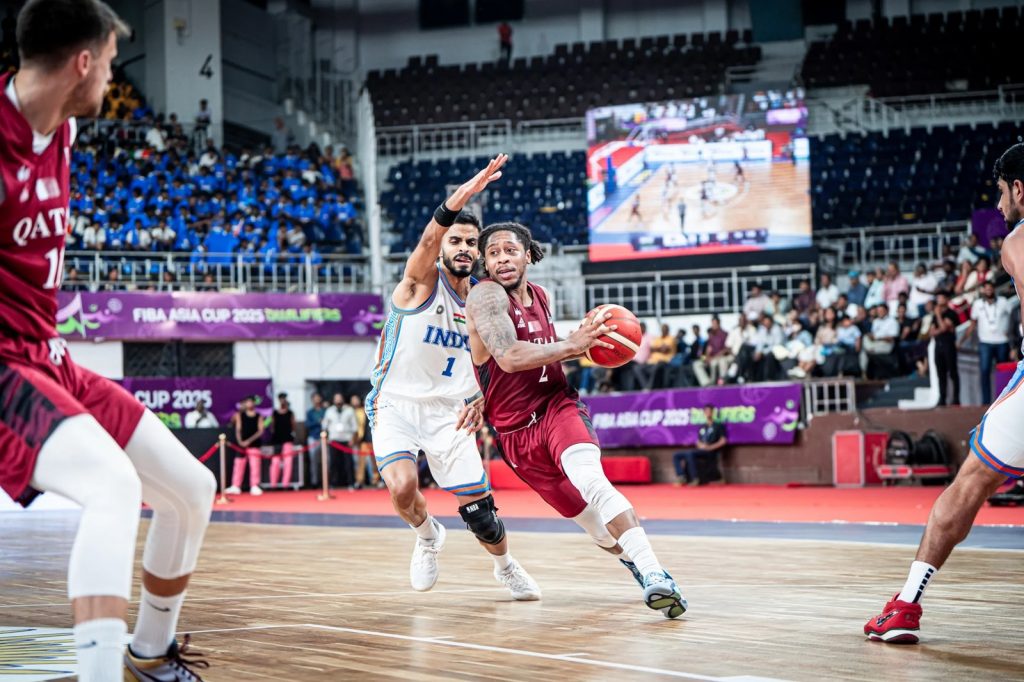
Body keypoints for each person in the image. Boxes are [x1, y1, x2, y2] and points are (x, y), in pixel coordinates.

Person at [0, 3, 216, 679]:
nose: (115, 78)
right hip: (3, 363)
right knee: (113, 486)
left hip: (48, 354)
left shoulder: (62, 129)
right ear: (83, 62)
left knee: (191, 489)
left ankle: (150, 655)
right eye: (113, 63)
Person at [466, 219, 686, 619]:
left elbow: (543, 349)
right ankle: (636, 564)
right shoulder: (485, 296)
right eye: (493, 253)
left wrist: (585, 346)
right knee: (596, 528)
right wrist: (572, 345)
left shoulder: (541, 295)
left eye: (510, 250)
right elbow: (509, 357)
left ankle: (657, 574)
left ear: (528, 254)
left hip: (557, 406)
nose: (502, 259)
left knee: (592, 481)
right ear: (485, 261)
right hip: (515, 434)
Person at [865, 143, 1024, 644]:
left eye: (1001, 192)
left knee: (968, 484)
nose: (999, 204)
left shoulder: (1017, 241)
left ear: (1020, 190)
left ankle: (905, 607)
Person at [365, 155, 540, 599]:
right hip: (396, 403)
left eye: (471, 243)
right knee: (403, 488)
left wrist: (482, 395)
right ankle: (427, 537)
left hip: (452, 410)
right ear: (443, 248)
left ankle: (505, 567)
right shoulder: (419, 284)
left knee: (482, 516)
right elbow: (428, 238)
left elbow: (499, 357)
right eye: (455, 241)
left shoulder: (487, 299)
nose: (463, 248)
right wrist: (464, 194)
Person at [962, 281, 1013, 404]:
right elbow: (973, 324)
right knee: (984, 372)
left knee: (1003, 372)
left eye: (991, 288)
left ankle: (1004, 401)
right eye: (986, 289)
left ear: (994, 289)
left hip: (1002, 341)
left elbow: (1013, 317)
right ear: (983, 290)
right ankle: (986, 402)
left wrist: (1011, 334)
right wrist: (961, 340)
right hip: (985, 342)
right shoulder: (977, 304)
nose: (989, 290)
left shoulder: (1003, 301)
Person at [672, 405, 727, 485]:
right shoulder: (703, 427)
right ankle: (681, 477)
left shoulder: (718, 426)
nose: (708, 413)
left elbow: (723, 441)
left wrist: (710, 447)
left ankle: (695, 478)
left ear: (713, 412)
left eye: (709, 411)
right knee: (677, 455)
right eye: (706, 411)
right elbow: (698, 441)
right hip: (701, 450)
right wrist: (700, 445)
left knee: (690, 453)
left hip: (711, 451)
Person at [226, 395, 265, 495]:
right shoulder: (239, 415)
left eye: (251, 402)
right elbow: (238, 429)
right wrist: (240, 441)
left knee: (255, 465)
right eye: (247, 402)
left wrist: (249, 441)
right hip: (241, 445)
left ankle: (254, 486)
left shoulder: (259, 416)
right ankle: (236, 486)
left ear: (254, 403)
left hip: (254, 444)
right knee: (238, 465)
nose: (249, 404)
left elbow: (260, 431)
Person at [930, 291, 961, 406]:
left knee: (952, 372)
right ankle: (942, 398)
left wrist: (938, 315)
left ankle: (956, 398)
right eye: (938, 298)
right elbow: (932, 332)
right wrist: (939, 328)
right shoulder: (935, 315)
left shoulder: (951, 313)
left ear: (947, 299)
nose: (939, 300)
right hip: (938, 345)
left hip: (949, 344)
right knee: (940, 373)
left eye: (941, 297)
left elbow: (944, 327)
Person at [322, 392, 356, 489]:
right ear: (333, 400)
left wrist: (352, 439)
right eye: (336, 398)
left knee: (349, 463)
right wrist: (326, 438)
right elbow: (324, 426)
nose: (338, 400)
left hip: (346, 439)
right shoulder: (329, 411)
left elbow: (354, 426)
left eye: (340, 398)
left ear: (343, 399)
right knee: (333, 462)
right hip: (334, 440)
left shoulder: (349, 410)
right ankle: (333, 483)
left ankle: (351, 483)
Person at [349, 394, 379, 489]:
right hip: (361, 439)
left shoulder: (373, 410)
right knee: (360, 462)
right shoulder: (354, 411)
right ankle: (359, 481)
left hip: (371, 438)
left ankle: (376, 480)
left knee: (374, 462)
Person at [269, 392, 296, 489]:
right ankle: (273, 484)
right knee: (275, 463)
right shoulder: (274, 413)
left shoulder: (290, 413)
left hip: (287, 440)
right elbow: (271, 426)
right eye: (281, 398)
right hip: (277, 440)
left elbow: (293, 426)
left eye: (284, 398)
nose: (283, 400)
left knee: (288, 463)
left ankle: (285, 484)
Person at [305, 392, 326, 489]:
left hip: (324, 438)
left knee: (326, 461)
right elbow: (307, 425)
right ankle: (314, 482)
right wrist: (318, 422)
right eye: (315, 398)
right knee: (313, 461)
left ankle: (326, 482)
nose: (317, 399)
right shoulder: (310, 412)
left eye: (318, 397)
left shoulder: (325, 410)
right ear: (312, 400)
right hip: (313, 438)